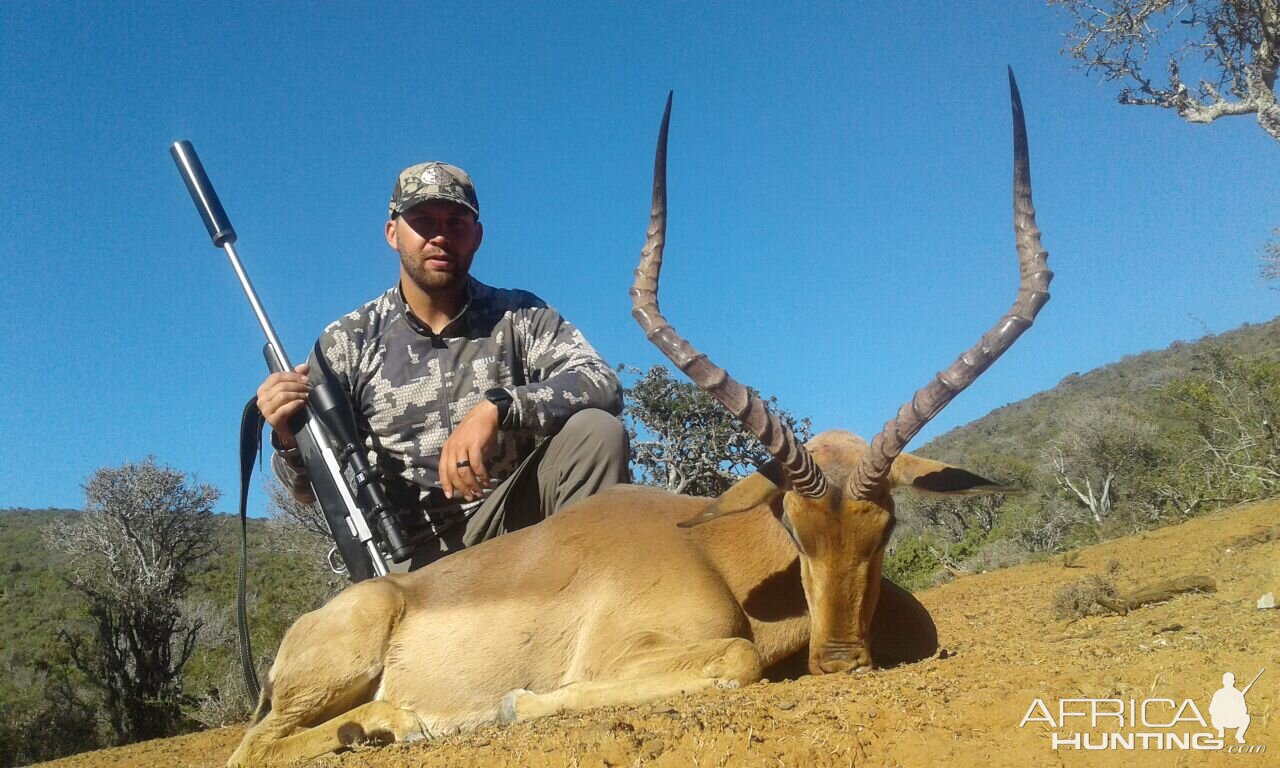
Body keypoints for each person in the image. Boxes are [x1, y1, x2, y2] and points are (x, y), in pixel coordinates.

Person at [257, 161, 629, 569]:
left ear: (477, 237)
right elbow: (307, 490)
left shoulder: (519, 315)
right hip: (413, 557)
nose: (440, 236)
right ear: (392, 233)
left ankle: (584, 602)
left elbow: (601, 382)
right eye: (422, 222)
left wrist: (499, 408)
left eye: (456, 222)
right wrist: (287, 437)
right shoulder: (346, 341)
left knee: (597, 432)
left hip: (516, 528)